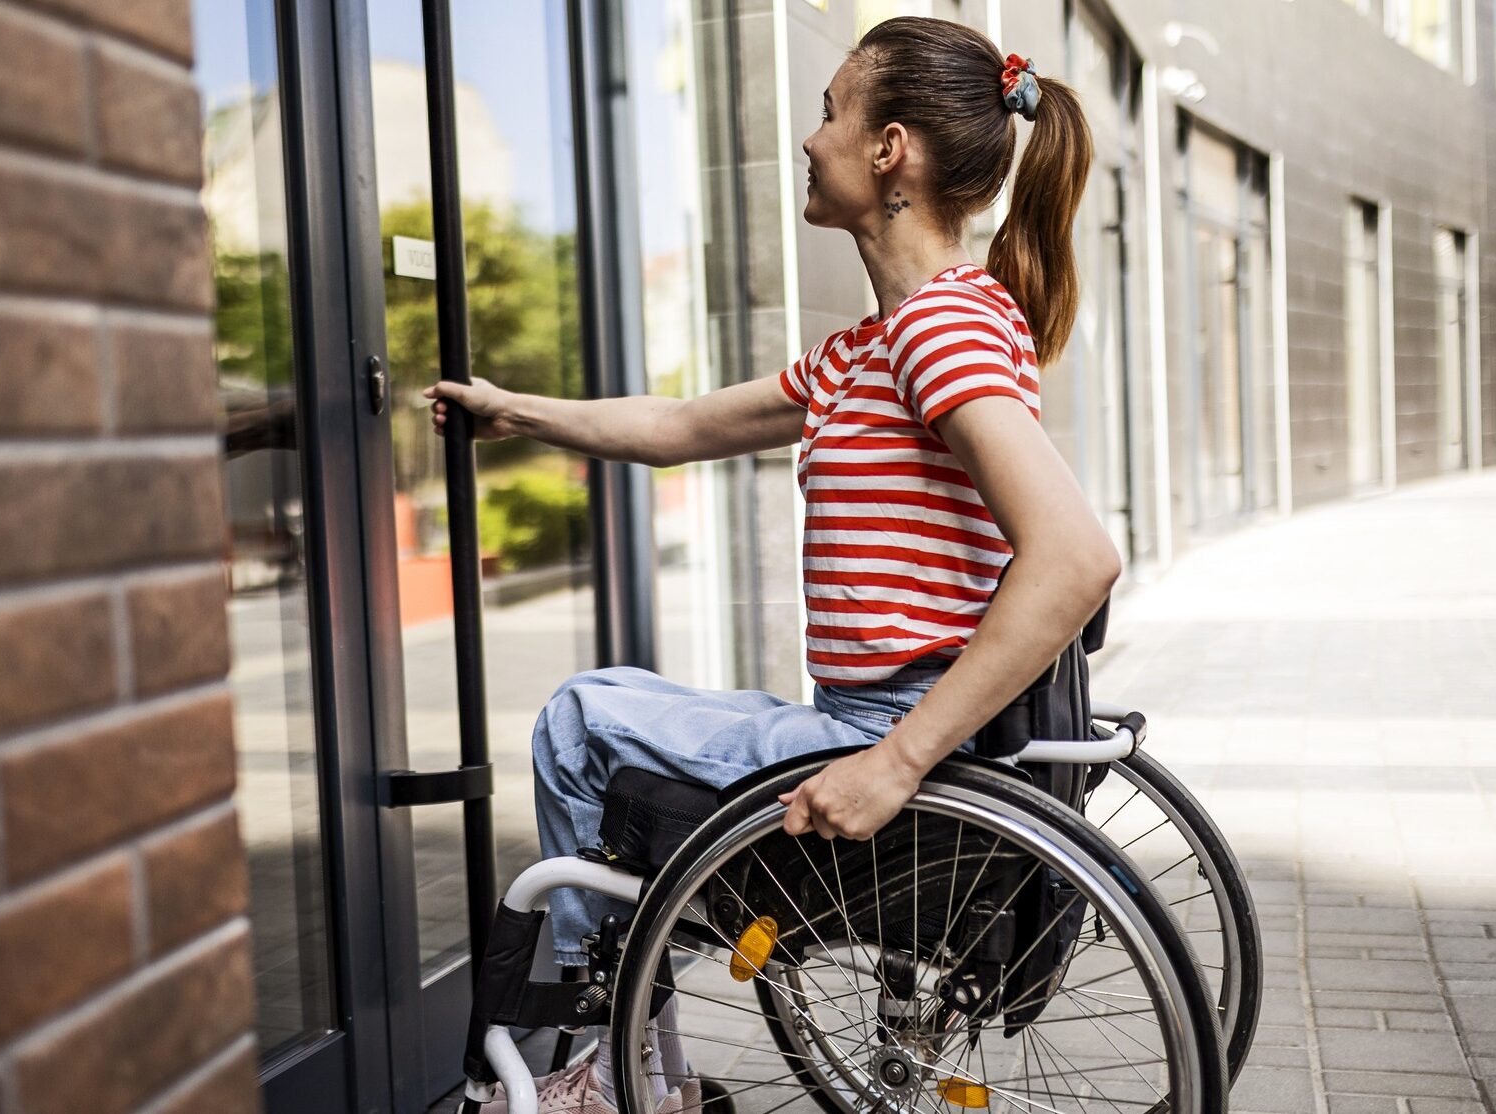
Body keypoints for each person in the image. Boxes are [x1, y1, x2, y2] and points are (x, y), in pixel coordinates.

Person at [424, 17, 1121, 1114]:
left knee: (579, 720)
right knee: (616, 723)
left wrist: (893, 762)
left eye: (831, 113)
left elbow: (1076, 558)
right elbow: (679, 423)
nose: (809, 137)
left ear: (889, 150)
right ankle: (639, 1063)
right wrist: (512, 409)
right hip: (872, 712)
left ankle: (618, 1074)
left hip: (888, 732)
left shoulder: (936, 329)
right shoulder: (880, 341)